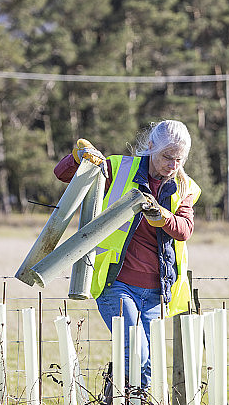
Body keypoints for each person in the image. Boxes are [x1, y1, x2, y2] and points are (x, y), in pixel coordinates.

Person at [54, 120, 201, 390]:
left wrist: (162, 217)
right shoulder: (119, 168)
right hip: (116, 283)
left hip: (157, 292)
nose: (173, 165)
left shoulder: (184, 187)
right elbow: (63, 174)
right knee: (136, 354)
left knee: (143, 363)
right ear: (151, 146)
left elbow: (184, 230)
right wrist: (77, 158)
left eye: (179, 159)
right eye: (167, 157)